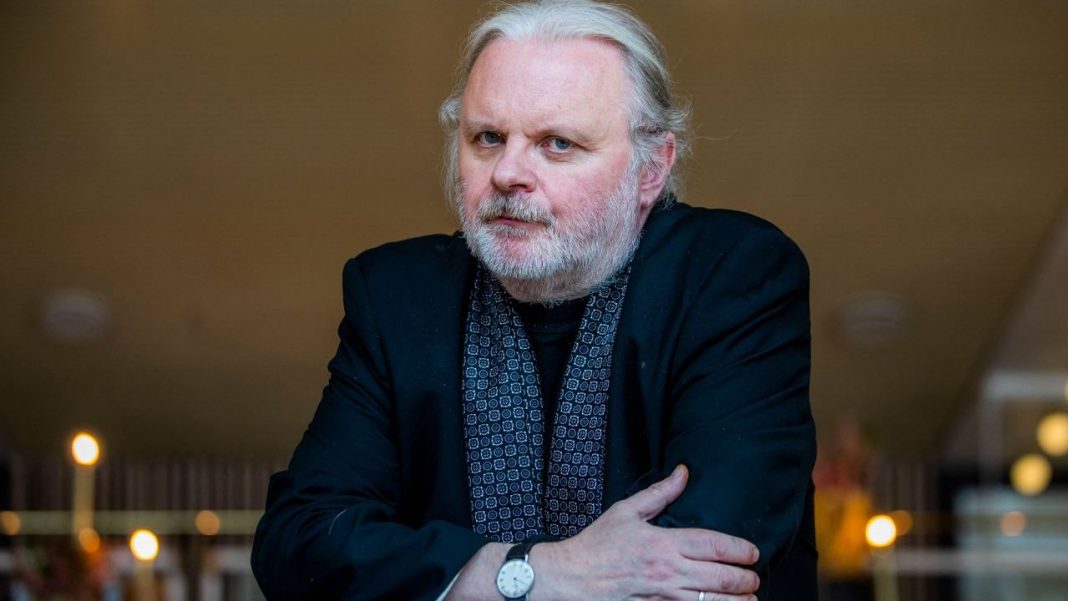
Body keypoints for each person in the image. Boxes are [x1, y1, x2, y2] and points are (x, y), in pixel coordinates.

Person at [251, 1, 817, 600]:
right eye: (488, 138)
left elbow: (708, 562)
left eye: (558, 144)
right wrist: (535, 573)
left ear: (651, 169)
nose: (507, 173)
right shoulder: (397, 298)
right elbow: (299, 543)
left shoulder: (730, 274)